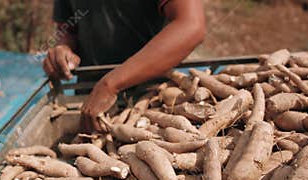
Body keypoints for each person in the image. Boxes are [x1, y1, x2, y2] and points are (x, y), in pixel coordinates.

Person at [43, 0, 206, 132]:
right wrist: (63, 48)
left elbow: (190, 25)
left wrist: (111, 84)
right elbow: (67, 28)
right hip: (89, 104)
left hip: (152, 103)